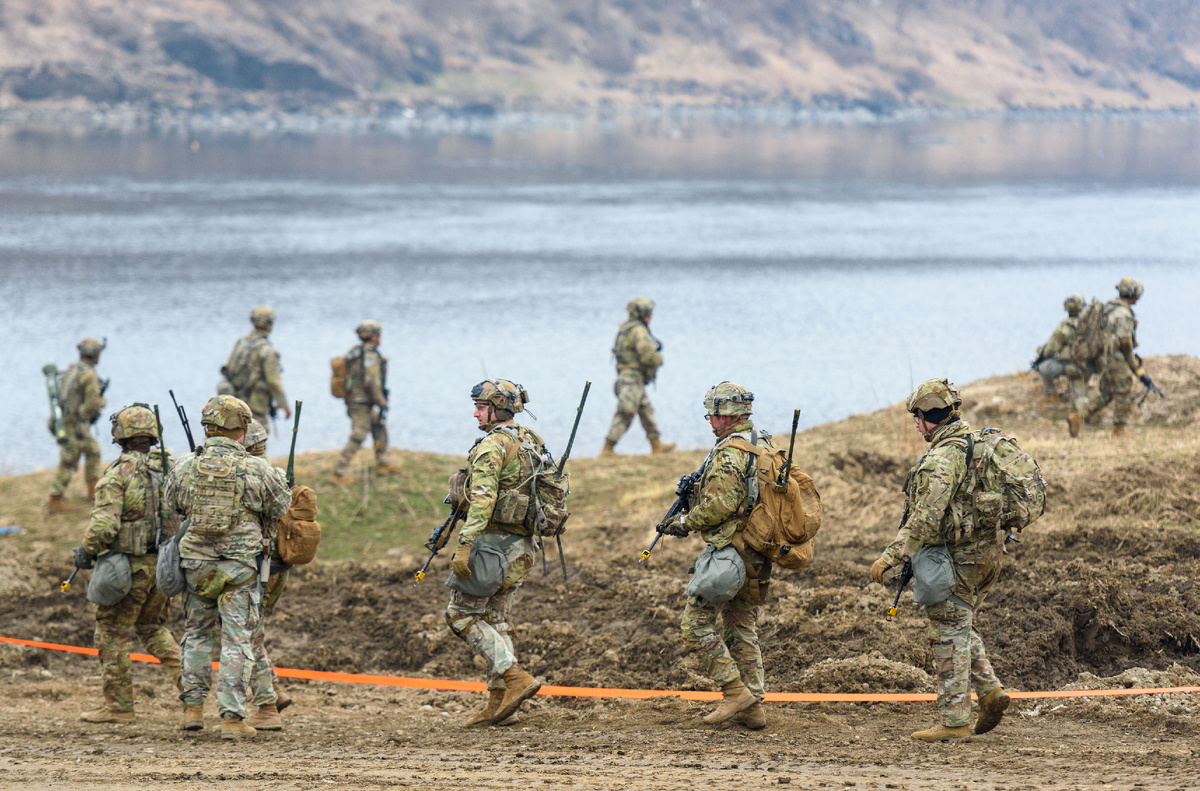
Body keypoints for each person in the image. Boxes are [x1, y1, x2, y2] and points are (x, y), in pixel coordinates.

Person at [869, 378, 1009, 742]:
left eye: (919, 417)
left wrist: (890, 555)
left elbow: (926, 518)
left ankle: (954, 720)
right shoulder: (972, 442)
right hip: (987, 553)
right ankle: (991, 690)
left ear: (932, 417)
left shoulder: (942, 458)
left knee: (945, 632)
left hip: (958, 558)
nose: (916, 425)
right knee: (958, 621)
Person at [165, 395, 292, 738]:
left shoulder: (184, 465)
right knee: (238, 642)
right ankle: (232, 719)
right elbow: (281, 506)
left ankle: (192, 710)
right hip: (239, 567)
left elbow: (172, 502)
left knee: (196, 636)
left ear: (208, 427)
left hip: (196, 565)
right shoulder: (258, 468)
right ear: (242, 429)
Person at [669, 382, 771, 729]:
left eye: (713, 414)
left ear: (726, 415)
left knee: (695, 625)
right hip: (757, 549)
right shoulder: (762, 442)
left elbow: (720, 506)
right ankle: (753, 706)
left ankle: (734, 691)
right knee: (741, 625)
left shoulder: (729, 454)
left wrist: (684, 522)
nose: (710, 421)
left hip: (731, 552)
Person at [73, 404, 182, 723]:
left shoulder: (117, 475)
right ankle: (194, 695)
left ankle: (119, 707)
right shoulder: (171, 469)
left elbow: (104, 528)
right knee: (153, 628)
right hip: (163, 567)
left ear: (120, 436)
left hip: (128, 569)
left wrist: (85, 551)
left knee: (111, 632)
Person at [444, 379, 544, 727]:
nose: (475, 413)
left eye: (481, 407)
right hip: (523, 548)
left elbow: (483, 498)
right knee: (496, 620)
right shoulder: (530, 441)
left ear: (497, 409)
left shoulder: (491, 446)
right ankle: (498, 702)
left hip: (493, 548)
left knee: (460, 615)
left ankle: (516, 677)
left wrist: (465, 543)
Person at [239, 419, 308, 729]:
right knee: (253, 630)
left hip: (257, 565)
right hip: (279, 567)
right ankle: (272, 692)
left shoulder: (246, 475)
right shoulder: (277, 474)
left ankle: (268, 701)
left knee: (246, 632)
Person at [1070, 278, 1147, 438]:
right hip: (1117, 358)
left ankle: (1080, 415)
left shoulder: (1109, 307)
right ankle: (1119, 430)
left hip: (1105, 357)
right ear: (1132, 294)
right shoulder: (1123, 314)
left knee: (1107, 393)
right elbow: (1125, 343)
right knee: (1123, 392)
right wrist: (1134, 366)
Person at [601, 298, 675, 457]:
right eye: (648, 313)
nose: (650, 317)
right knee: (626, 412)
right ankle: (608, 448)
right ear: (640, 314)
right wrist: (659, 359)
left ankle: (656, 445)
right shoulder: (639, 331)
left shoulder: (626, 328)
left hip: (630, 378)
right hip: (631, 380)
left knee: (646, 410)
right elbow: (648, 356)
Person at [332, 320, 399, 482]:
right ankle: (338, 472)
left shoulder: (355, 352)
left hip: (356, 400)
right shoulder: (370, 355)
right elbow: (372, 382)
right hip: (361, 402)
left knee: (378, 425)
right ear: (374, 336)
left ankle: (383, 462)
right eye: (379, 335)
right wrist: (381, 401)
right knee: (359, 434)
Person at [48, 337, 107, 513]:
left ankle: (93, 491)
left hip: (68, 421)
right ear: (95, 355)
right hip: (74, 424)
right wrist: (101, 403)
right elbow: (92, 404)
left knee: (93, 451)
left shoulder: (72, 369)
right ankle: (54, 500)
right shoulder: (89, 375)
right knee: (69, 460)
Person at [220, 306, 291, 428]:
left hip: (233, 401)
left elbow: (228, 369)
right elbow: (274, 383)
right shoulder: (269, 352)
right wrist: (284, 406)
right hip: (255, 405)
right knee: (258, 439)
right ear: (269, 324)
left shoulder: (241, 342)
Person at [1033, 293, 1088, 408]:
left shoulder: (1064, 328)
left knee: (1043, 366)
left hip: (1072, 367)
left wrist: (1040, 352)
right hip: (1090, 367)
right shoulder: (1090, 325)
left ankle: (1052, 395)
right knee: (1080, 401)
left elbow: (1049, 350)